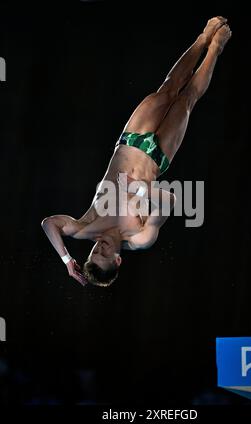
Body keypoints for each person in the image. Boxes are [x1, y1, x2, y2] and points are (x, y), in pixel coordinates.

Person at [41, 17, 232, 287]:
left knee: (167, 90)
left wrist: (66, 259)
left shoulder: (86, 228)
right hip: (159, 158)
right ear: (118, 260)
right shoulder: (140, 237)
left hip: (131, 141)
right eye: (105, 255)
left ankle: (202, 39)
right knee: (186, 100)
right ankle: (216, 48)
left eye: (95, 252)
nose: (100, 248)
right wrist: (139, 188)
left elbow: (49, 223)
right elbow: (171, 201)